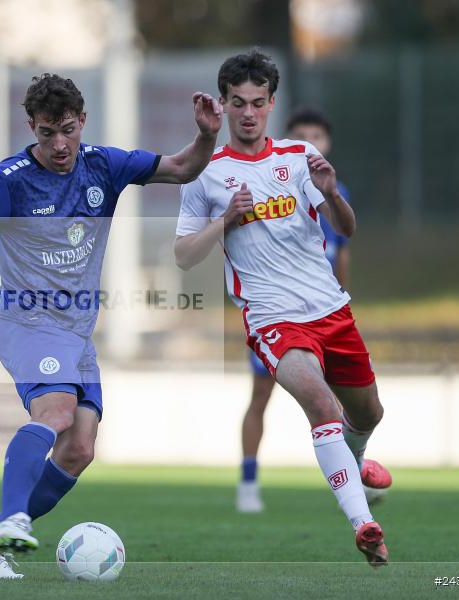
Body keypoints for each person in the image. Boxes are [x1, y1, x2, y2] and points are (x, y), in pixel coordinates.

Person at [0, 73, 222, 579]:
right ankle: (12, 518)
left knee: (79, 448)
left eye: (67, 129)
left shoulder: (103, 166)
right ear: (32, 127)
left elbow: (180, 168)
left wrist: (206, 136)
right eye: (47, 133)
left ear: (82, 122)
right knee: (59, 413)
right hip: (28, 321)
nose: (59, 143)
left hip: (76, 331)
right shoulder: (10, 179)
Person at [174, 50, 391, 566]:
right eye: (237, 103)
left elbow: (346, 229)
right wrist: (225, 220)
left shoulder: (297, 158)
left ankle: (353, 459)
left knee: (369, 413)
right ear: (224, 106)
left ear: (271, 104)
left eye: (256, 103)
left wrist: (332, 194)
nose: (247, 113)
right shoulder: (206, 173)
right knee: (321, 406)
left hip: (330, 311)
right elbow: (184, 256)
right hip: (272, 318)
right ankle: (365, 524)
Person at [237, 107, 356, 513]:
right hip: (277, 313)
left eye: (317, 137)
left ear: (327, 143)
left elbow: (342, 250)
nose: (311, 144)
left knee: (344, 400)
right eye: (302, 136)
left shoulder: (334, 192)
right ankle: (248, 482)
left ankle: (349, 475)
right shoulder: (273, 187)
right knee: (260, 397)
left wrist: (342, 295)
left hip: (324, 312)